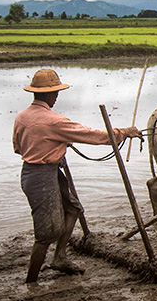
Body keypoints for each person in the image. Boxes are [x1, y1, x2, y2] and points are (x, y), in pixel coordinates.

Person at [13, 68, 141, 283]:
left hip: (38, 171)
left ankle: (60, 257)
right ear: (49, 94)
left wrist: (53, 145)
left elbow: (18, 148)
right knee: (45, 234)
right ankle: (31, 282)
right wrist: (122, 132)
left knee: (73, 209)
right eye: (55, 92)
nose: (57, 96)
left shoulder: (21, 117)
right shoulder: (54, 121)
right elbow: (90, 135)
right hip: (42, 177)